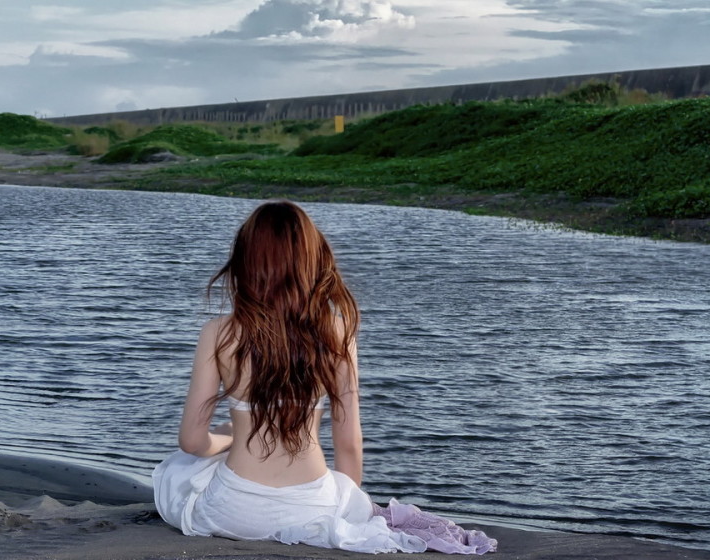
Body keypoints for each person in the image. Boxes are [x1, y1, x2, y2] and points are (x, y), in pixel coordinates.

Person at [152, 200, 496, 554]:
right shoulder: (337, 332)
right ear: (312, 260)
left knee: (177, 472)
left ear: (244, 262)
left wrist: (226, 439)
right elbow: (348, 444)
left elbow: (192, 442)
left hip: (234, 510)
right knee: (343, 492)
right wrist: (348, 508)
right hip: (313, 506)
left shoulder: (219, 333)